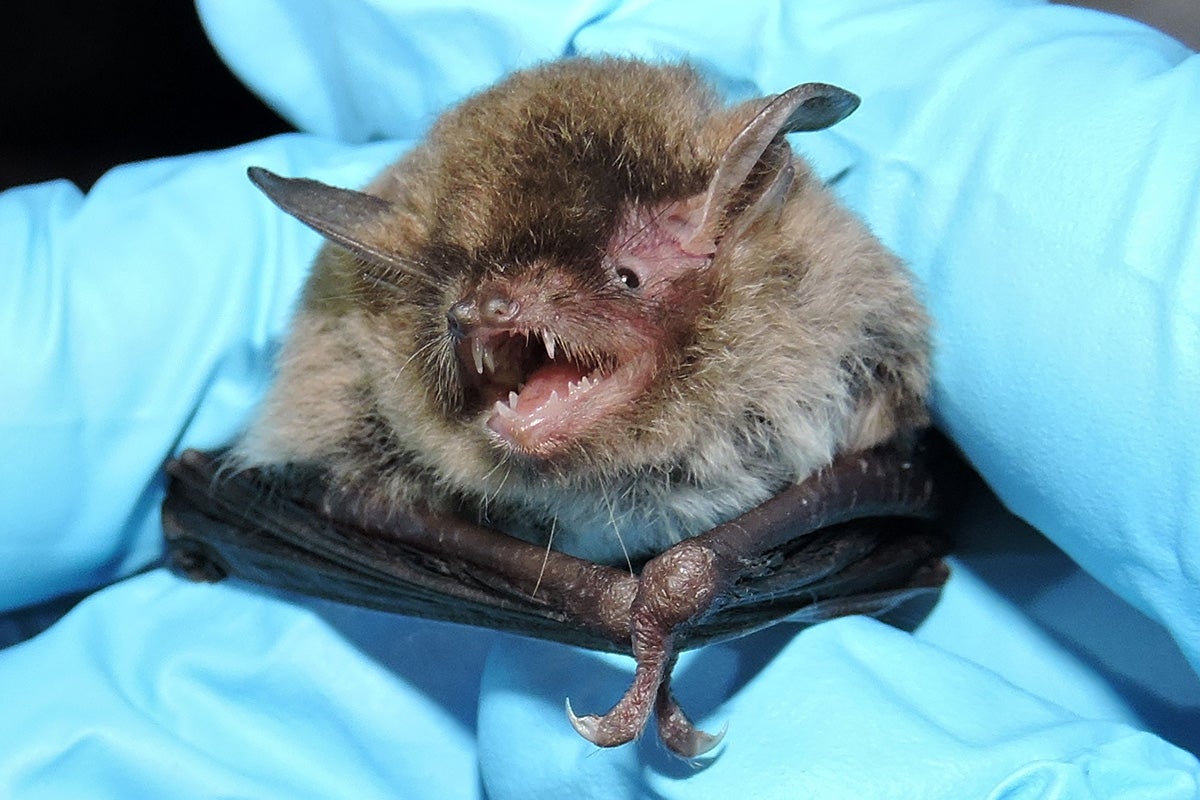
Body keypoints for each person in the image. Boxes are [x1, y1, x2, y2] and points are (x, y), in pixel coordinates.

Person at [1, 2, 1197, 797]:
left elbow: (907, 448)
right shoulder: (383, 356)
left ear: (716, 231)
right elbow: (317, 444)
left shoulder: (825, 312)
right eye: (457, 306)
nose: (488, 328)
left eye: (621, 280)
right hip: (443, 535)